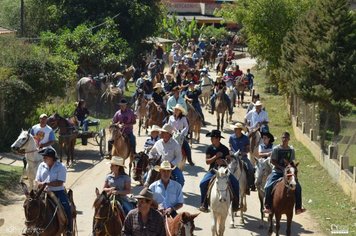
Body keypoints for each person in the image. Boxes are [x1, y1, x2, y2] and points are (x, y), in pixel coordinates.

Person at [263, 132, 306, 215]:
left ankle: (298, 208)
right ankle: (267, 206)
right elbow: (272, 161)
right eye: (283, 137)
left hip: (288, 173)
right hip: (277, 171)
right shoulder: (276, 149)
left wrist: (291, 168)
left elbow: (291, 161)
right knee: (268, 186)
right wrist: (281, 168)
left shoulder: (291, 150)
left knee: (298, 187)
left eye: (286, 138)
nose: (284, 139)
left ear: (289, 139)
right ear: (281, 138)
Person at [199, 130, 240, 213]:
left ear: (218, 139)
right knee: (202, 183)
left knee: (236, 183)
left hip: (224, 171)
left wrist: (223, 161)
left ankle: (236, 204)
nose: (211, 139)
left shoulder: (224, 149)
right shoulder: (209, 148)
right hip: (213, 171)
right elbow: (207, 162)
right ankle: (204, 204)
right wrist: (215, 157)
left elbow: (229, 160)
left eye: (212, 138)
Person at [35, 147, 72, 236]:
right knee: (32, 205)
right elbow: (37, 180)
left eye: (46, 157)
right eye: (43, 157)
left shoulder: (61, 167)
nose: (43, 159)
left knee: (66, 207)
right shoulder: (41, 165)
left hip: (57, 192)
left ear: (52, 158)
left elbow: (60, 182)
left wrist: (47, 183)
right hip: (42, 191)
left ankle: (68, 229)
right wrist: (41, 184)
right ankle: (30, 227)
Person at [229, 123, 255, 191]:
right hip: (233, 157)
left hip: (243, 157)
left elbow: (248, 149)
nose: (234, 129)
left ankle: (250, 184)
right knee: (226, 168)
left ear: (240, 130)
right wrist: (231, 153)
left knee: (251, 169)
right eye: (234, 128)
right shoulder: (231, 137)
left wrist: (243, 153)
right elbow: (230, 147)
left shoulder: (245, 138)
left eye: (236, 129)